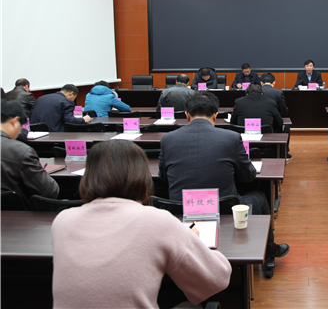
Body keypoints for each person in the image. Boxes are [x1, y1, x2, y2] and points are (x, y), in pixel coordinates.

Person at [52, 139, 232, 308]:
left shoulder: (62, 221)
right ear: (143, 177)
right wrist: (193, 241)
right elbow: (217, 278)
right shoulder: (157, 221)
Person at [159, 91, 290, 259]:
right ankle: (269, 249)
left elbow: (163, 177)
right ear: (215, 116)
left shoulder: (167, 139)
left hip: (181, 208)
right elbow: (248, 176)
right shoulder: (231, 138)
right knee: (260, 197)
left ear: (187, 115)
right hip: (224, 209)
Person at [0, 99, 59, 203]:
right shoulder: (20, 151)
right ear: (14, 121)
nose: (20, 131)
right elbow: (50, 191)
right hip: (16, 211)